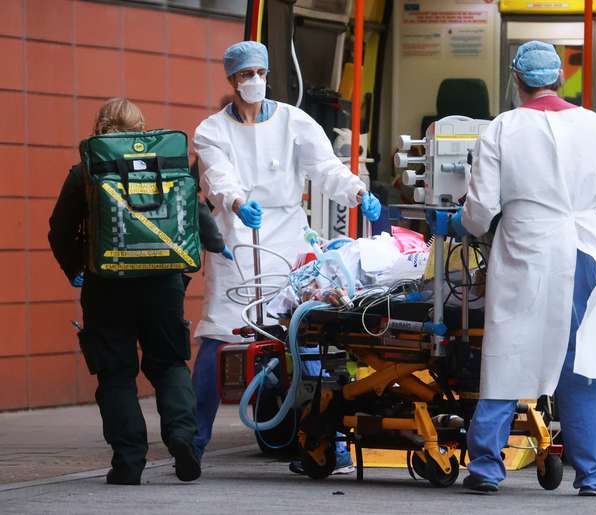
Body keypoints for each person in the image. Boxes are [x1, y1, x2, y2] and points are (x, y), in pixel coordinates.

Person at [451, 41, 596, 496]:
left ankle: (485, 467)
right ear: (559, 78)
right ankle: (594, 476)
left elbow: (479, 209)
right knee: (583, 365)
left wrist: (462, 222)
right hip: (585, 254)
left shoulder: (502, 129)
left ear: (515, 80)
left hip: (527, 254)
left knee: (508, 356)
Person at [191, 41, 381, 473]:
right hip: (238, 240)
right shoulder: (211, 131)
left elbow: (325, 167)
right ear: (232, 80)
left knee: (309, 336)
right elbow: (217, 177)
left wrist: (357, 192)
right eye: (245, 75)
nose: (253, 80)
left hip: (290, 240)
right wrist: (237, 203)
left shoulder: (295, 120)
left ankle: (328, 446)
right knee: (219, 337)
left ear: (268, 74)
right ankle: (193, 443)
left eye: (259, 72)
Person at [48, 98, 227, 485]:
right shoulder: (165, 165)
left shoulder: (87, 169)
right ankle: (182, 438)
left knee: (115, 373)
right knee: (168, 363)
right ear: (142, 128)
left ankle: (128, 462)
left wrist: (73, 268)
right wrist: (215, 244)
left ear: (100, 127)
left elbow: (59, 228)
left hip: (106, 284)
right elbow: (198, 217)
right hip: (163, 283)